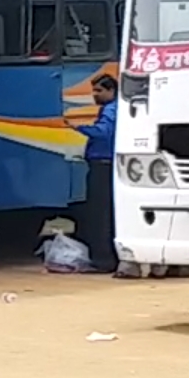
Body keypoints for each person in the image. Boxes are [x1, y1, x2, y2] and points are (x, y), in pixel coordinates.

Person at [72, 73, 118, 274]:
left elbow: (103, 132)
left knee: (99, 215)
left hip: (102, 165)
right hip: (109, 165)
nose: (95, 95)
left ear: (111, 91)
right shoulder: (116, 108)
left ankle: (102, 260)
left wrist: (79, 128)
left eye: (99, 91)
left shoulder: (110, 110)